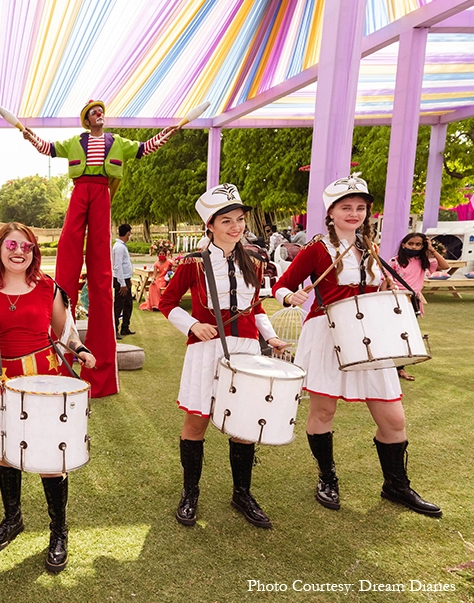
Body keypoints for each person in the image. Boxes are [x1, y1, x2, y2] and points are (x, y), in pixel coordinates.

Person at [272, 173, 441, 518]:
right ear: (331, 212)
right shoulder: (316, 249)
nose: (354, 213)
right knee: (323, 412)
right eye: (346, 207)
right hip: (327, 333)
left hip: (370, 337)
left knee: (393, 418)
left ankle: (396, 485)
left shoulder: (369, 248)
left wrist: (390, 292)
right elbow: (281, 286)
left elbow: (371, 292)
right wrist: (292, 295)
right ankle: (327, 478)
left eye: (360, 207)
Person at [0, 222, 96, 573]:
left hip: (45, 384)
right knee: (7, 454)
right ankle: (13, 519)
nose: (18, 251)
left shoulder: (47, 287)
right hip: (1, 385)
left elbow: (65, 332)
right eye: (11, 245)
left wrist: (81, 350)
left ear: (33, 252)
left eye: (26, 246)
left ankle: (59, 531)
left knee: (50, 457)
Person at [19, 100, 179, 398]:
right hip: (81, 191)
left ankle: (100, 374)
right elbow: (49, 148)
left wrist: (165, 134)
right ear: (86, 119)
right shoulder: (75, 142)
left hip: (101, 192)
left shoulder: (117, 142)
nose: (99, 114)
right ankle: (58, 364)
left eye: (101, 111)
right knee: (68, 254)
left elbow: (144, 148)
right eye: (94, 112)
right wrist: (30, 136)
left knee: (101, 271)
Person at [159, 184, 288, 529]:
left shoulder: (255, 260)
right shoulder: (193, 263)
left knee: (243, 425)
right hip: (206, 350)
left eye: (240, 220)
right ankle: (190, 492)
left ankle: (241, 493)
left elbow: (256, 306)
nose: (236, 227)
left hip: (246, 350)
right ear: (210, 226)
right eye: (226, 220)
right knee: (196, 422)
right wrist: (192, 325)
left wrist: (270, 336)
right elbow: (166, 302)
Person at [389, 232, 450, 381]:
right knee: (393, 333)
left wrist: (431, 249)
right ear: (403, 244)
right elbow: (386, 278)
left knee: (406, 334)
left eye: (418, 244)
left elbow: (445, 266)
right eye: (411, 244)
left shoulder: (423, 262)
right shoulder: (394, 261)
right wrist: (390, 283)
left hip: (412, 301)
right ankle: (390, 366)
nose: (414, 247)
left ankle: (400, 368)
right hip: (395, 301)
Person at [112, 223, 134, 339]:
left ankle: (125, 327)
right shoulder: (119, 247)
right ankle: (115, 329)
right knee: (119, 306)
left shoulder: (121, 246)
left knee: (128, 304)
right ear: (128, 233)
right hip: (121, 280)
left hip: (126, 278)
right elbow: (117, 266)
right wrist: (122, 284)